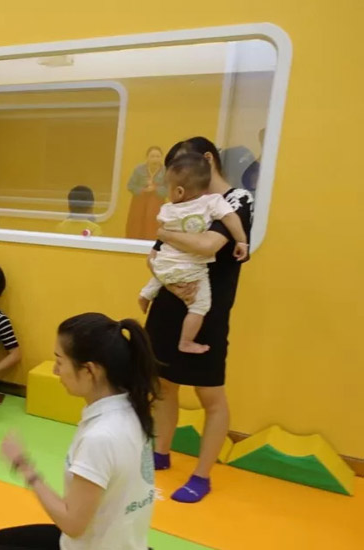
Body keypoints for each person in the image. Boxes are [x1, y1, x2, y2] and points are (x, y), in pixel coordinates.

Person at [0, 313, 157, 550]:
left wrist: (25, 468)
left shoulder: (101, 437)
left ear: (89, 370)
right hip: (119, 541)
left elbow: (72, 524)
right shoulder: (132, 407)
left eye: (60, 361)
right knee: (0, 540)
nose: (55, 370)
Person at [146, 137, 254, 504]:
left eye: (183, 168)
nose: (179, 181)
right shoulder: (181, 204)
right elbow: (154, 256)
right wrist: (166, 273)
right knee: (163, 385)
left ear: (206, 160)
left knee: (211, 395)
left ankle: (201, 475)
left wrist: (165, 232)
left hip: (207, 311)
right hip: (168, 305)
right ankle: (160, 452)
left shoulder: (236, 200)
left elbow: (208, 245)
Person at [138, 154, 249, 354]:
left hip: (164, 264)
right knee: (200, 306)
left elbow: (161, 236)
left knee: (163, 271)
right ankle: (186, 342)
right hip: (191, 269)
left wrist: (166, 234)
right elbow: (230, 218)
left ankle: (146, 294)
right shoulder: (213, 202)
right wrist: (241, 240)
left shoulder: (167, 209)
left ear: (179, 191)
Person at [125, 146, 167, 240]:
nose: (155, 159)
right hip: (139, 204)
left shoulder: (166, 171)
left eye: (158, 156)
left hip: (156, 205)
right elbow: (130, 186)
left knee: (153, 228)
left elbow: (168, 190)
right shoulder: (139, 169)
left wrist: (155, 189)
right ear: (147, 158)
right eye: (152, 156)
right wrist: (143, 190)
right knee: (136, 227)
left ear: (161, 158)